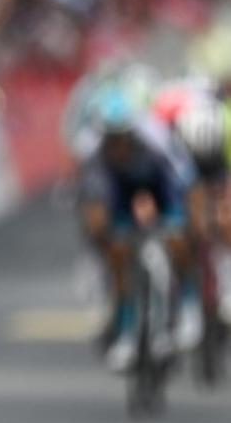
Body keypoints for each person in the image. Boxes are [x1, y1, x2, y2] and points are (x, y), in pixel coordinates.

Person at [76, 84, 197, 372]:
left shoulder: (155, 139)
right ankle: (127, 332)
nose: (117, 144)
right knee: (117, 254)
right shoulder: (93, 151)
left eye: (122, 137)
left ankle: (188, 304)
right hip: (120, 195)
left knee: (178, 239)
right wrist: (102, 234)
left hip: (160, 188)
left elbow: (183, 180)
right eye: (111, 138)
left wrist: (183, 219)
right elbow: (94, 203)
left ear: (132, 132)